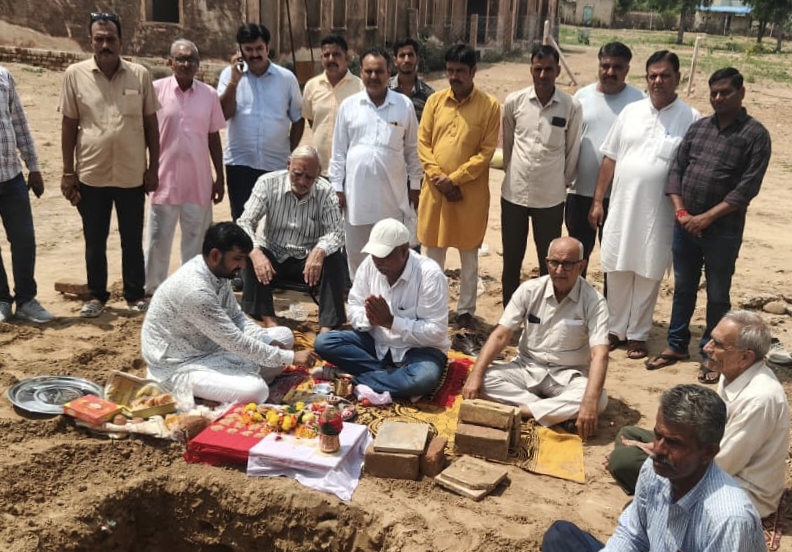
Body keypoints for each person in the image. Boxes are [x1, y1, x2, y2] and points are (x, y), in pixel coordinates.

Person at [647, 68, 772, 381]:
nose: (718, 98)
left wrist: (707, 217)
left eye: (725, 92)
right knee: (683, 288)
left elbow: (746, 188)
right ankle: (676, 345)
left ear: (741, 93)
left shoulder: (755, 136)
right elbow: (676, 170)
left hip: (723, 231)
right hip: (685, 225)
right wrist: (682, 214)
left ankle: (712, 354)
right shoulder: (699, 127)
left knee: (717, 294)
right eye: (714, 92)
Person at [608, 311, 788, 520]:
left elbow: (722, 464)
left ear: (745, 357)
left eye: (717, 344)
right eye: (711, 339)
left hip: (739, 490)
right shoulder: (734, 372)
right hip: (711, 455)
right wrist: (662, 447)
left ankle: (663, 503)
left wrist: (657, 453)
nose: (706, 347)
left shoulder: (760, 399)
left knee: (624, 460)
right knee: (630, 434)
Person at [543, 384, 767, 552]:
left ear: (708, 452)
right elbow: (632, 536)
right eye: (658, 435)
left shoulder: (729, 519)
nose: (658, 450)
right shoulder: (653, 471)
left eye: (673, 443)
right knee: (560, 536)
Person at [588, 50, 699, 360]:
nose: (658, 81)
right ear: (646, 78)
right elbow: (610, 157)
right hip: (622, 207)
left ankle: (637, 333)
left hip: (660, 213)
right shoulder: (631, 112)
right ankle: (614, 329)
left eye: (665, 75)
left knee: (649, 269)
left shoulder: (691, 118)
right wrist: (598, 200)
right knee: (618, 265)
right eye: (653, 76)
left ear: (678, 78)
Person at [141, 222, 318, 404]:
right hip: (179, 365)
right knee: (255, 391)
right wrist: (290, 357)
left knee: (284, 336)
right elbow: (235, 340)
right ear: (216, 255)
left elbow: (236, 317)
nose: (242, 266)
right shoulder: (195, 291)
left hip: (213, 348)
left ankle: (230, 384)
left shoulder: (218, 271)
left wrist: (269, 343)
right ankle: (210, 391)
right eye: (238, 258)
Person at [59, 12, 160, 318]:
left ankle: (133, 294)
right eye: (99, 38)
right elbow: (68, 126)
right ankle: (97, 296)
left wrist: (153, 167)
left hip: (131, 174)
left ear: (121, 41)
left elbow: (151, 126)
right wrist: (67, 172)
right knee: (94, 240)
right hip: (92, 173)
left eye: (110, 38)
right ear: (90, 40)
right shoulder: (74, 75)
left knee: (132, 239)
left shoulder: (140, 75)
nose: (105, 44)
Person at [462, 237, 608, 440]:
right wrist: (476, 374)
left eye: (567, 264)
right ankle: (553, 413)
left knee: (598, 399)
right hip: (527, 368)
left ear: (581, 266)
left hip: (566, 376)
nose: (559, 270)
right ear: (546, 262)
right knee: (483, 380)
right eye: (554, 263)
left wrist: (589, 401)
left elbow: (600, 355)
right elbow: (501, 335)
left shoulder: (594, 301)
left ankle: (523, 411)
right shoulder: (529, 290)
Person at [315, 218, 450, 399]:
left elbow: (436, 332)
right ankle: (387, 376)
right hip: (377, 343)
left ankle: (355, 380)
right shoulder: (370, 265)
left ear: (404, 251)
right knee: (324, 342)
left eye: (385, 256)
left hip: (418, 350)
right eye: (375, 255)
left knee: (422, 379)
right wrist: (370, 318)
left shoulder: (429, 275)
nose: (379, 262)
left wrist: (391, 322)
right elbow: (354, 306)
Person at [417, 43, 500, 331]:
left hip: (469, 194)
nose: (454, 76)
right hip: (436, 191)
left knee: (469, 257)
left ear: (473, 72)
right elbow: (423, 143)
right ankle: (433, 308)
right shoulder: (434, 102)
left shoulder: (489, 106)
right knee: (433, 257)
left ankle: (465, 311)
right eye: (450, 70)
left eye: (460, 71)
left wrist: (456, 179)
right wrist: (439, 177)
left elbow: (486, 152)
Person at [329, 47, 423, 279]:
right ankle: (361, 304)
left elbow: (413, 150)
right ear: (360, 72)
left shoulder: (403, 105)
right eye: (368, 71)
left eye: (379, 71)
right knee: (358, 256)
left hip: (392, 199)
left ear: (388, 72)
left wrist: (415, 186)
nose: (373, 77)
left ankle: (391, 304)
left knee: (392, 253)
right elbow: (338, 151)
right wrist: (337, 188)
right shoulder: (349, 106)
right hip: (356, 200)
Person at [501, 44, 582, 307]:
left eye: (549, 69)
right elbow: (509, 146)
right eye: (538, 69)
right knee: (511, 259)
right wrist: (516, 172)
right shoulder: (515, 101)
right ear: (531, 70)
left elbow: (572, 151)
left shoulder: (570, 106)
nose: (543, 75)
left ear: (558, 70)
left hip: (550, 199)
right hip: (514, 194)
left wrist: (561, 184)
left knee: (550, 261)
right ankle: (510, 314)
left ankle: (548, 314)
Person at [145, 39, 226, 296]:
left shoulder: (209, 95)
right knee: (159, 240)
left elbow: (213, 138)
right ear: (170, 62)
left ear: (198, 64)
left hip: (198, 181)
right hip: (163, 179)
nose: (186, 64)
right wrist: (147, 171)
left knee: (196, 242)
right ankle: (153, 289)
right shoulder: (155, 91)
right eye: (180, 59)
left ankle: (189, 291)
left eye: (191, 59)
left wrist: (219, 177)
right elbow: (145, 134)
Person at [236, 145, 346, 332]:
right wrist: (255, 253)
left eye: (309, 177)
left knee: (334, 257)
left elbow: (337, 232)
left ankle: (327, 326)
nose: (303, 181)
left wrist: (319, 251)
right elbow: (244, 222)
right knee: (249, 252)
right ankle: (268, 318)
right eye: (298, 174)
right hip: (273, 256)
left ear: (318, 174)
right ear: (288, 165)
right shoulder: (267, 183)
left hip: (307, 262)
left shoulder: (325, 191)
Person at [566, 42, 644, 274]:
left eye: (617, 67)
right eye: (605, 66)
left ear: (627, 70)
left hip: (620, 197)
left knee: (615, 260)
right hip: (580, 194)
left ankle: (613, 308)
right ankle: (577, 305)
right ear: (599, 65)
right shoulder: (581, 97)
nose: (610, 72)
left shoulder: (639, 101)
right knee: (578, 257)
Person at [217, 23, 304, 221]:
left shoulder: (286, 78)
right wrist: (233, 82)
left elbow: (298, 119)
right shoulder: (229, 76)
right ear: (240, 50)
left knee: (275, 222)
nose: (254, 54)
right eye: (248, 49)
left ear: (267, 47)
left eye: (259, 49)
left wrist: (289, 150)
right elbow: (223, 114)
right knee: (242, 221)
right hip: (239, 163)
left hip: (275, 165)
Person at [0, 65, 53, 324]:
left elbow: (19, 123)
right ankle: (1, 299)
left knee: (24, 240)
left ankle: (26, 300)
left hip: (12, 178)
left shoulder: (3, 76)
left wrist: (34, 167)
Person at [301, 35, 363, 176]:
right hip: (319, 169)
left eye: (336, 54)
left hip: (349, 169)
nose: (331, 59)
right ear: (321, 58)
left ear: (346, 58)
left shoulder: (360, 88)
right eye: (326, 55)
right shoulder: (312, 86)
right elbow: (312, 122)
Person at [388, 38, 435, 123]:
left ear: (417, 59)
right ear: (395, 61)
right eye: (402, 55)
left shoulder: (429, 95)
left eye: (410, 55)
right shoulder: (385, 90)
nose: (407, 60)